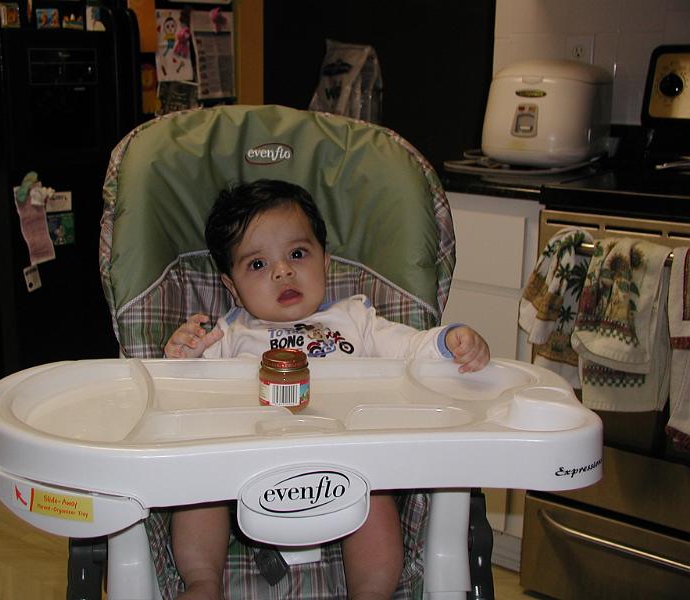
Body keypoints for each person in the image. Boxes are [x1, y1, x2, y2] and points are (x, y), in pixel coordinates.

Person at [164, 179, 490, 599]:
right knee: (196, 490)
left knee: (377, 503)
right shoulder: (228, 333)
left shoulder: (356, 319)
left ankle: (371, 592)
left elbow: (410, 348)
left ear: (325, 261)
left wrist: (449, 341)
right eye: (257, 265)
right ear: (232, 287)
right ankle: (203, 582)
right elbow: (186, 394)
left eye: (298, 254)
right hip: (245, 474)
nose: (283, 270)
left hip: (349, 469)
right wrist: (183, 357)